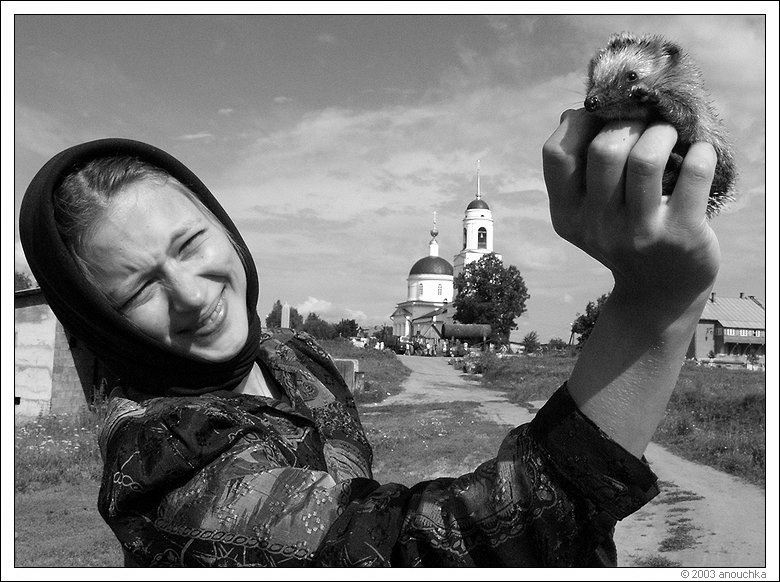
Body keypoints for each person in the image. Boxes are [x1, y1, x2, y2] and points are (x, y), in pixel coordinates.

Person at [18, 106, 719, 567]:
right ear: (101, 324)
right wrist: (654, 305)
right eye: (139, 289)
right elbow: (440, 551)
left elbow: (355, 509)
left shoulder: (289, 358)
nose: (194, 295)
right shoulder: (171, 475)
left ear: (222, 223)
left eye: (190, 242)